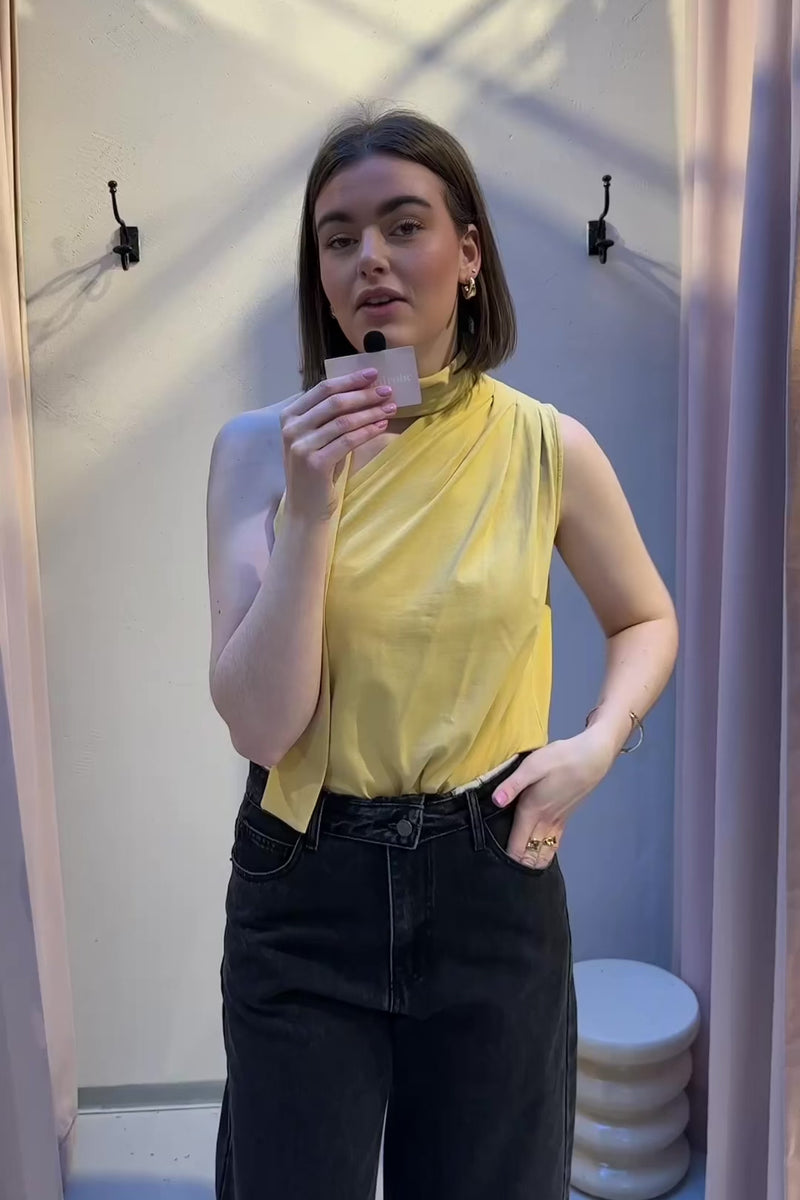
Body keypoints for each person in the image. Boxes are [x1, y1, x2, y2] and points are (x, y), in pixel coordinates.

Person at [205, 107, 679, 1200]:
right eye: (338, 237)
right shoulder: (259, 452)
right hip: (304, 879)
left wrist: (594, 748)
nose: (368, 258)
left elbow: (645, 617)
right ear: (319, 275)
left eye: (402, 225)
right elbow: (260, 727)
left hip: (490, 876)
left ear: (467, 255)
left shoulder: (547, 446)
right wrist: (312, 512)